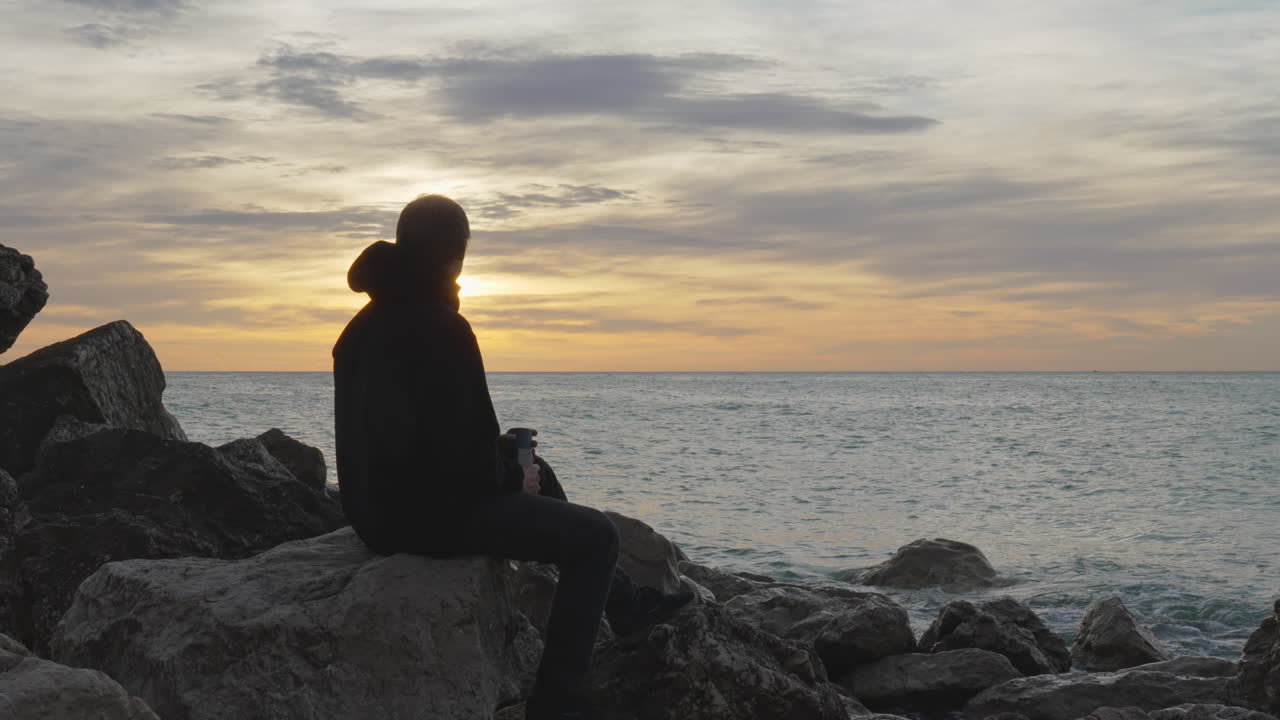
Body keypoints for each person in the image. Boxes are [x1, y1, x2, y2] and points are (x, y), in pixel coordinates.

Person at [332, 194, 691, 720]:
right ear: (458, 255)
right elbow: (462, 468)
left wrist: (505, 460)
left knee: (539, 470)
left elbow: (407, 438)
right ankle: (556, 704)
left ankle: (627, 604)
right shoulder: (442, 326)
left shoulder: (359, 328)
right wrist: (506, 476)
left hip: (373, 512)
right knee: (596, 538)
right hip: (421, 520)